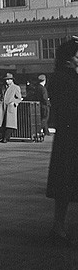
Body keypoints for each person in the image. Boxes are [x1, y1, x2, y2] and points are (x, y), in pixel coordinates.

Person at [45, 38, 78, 246]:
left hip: (67, 137)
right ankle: (59, 228)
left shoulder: (60, 77)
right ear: (69, 58)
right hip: (71, 136)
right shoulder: (66, 78)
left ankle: (59, 226)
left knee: (65, 183)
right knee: (67, 182)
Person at [0, 72, 22, 143]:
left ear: (12, 80)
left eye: (8, 79)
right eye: (6, 80)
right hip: (3, 106)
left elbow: (19, 98)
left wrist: (14, 103)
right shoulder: (4, 87)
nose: (7, 81)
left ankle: (5, 138)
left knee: (9, 124)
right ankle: (1, 137)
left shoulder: (16, 87)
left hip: (10, 107)